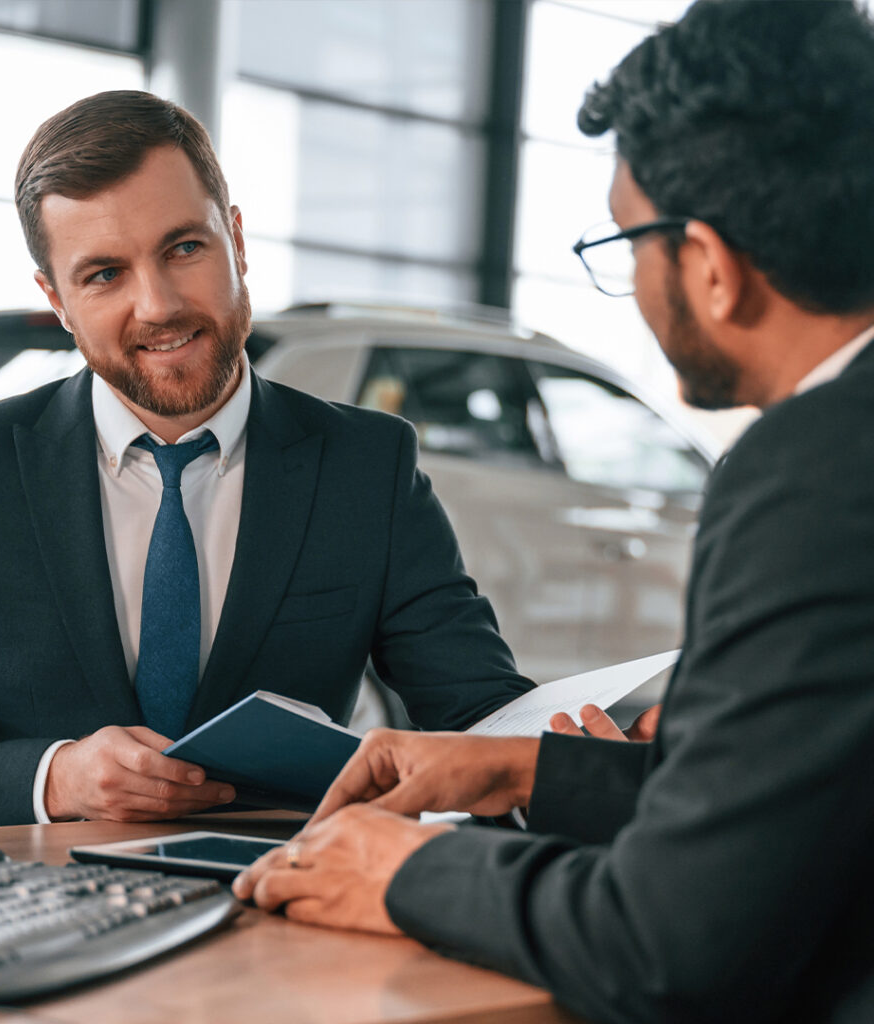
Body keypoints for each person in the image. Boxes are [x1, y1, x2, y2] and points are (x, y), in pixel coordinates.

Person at [234, 3, 874, 1021]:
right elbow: (810, 808)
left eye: (626, 240)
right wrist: (525, 767)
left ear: (706, 263)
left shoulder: (812, 472)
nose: (628, 273)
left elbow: (670, 945)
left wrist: (398, 871)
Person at [0, 90, 535, 833]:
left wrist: (580, 757)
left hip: (283, 906)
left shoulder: (367, 466)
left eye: (184, 248)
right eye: (105, 274)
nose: (158, 305)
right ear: (57, 300)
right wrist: (58, 780)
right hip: (37, 920)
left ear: (235, 241)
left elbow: (482, 717)